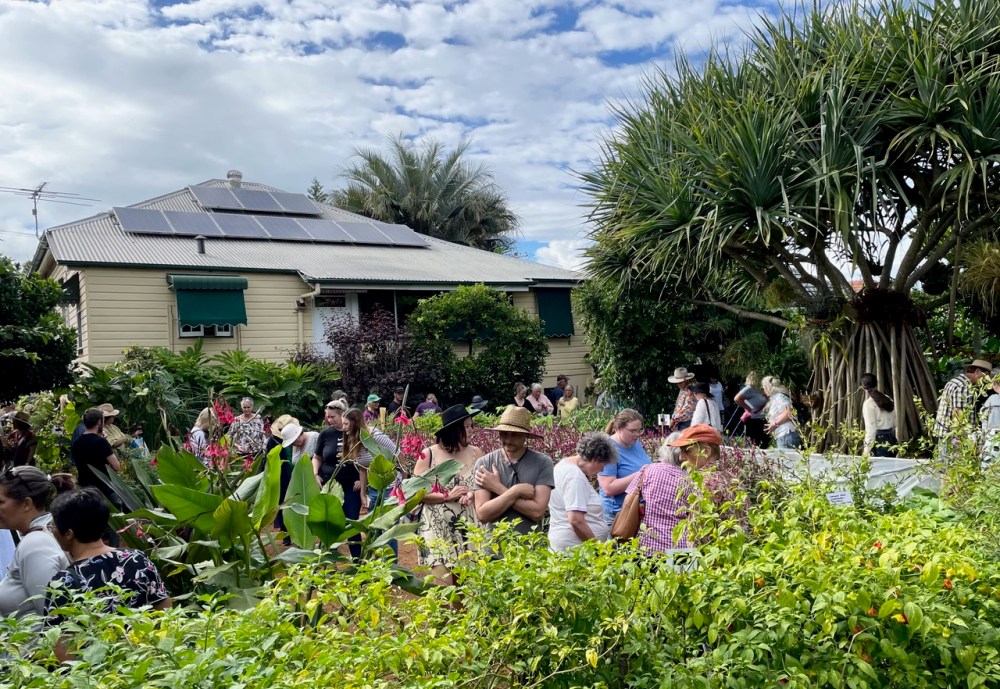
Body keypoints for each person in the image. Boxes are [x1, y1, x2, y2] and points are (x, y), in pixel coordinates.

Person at [46, 488, 170, 662]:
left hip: (103, 677)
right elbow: (165, 613)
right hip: (151, 664)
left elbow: (63, 650)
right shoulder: (137, 559)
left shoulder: (62, 583)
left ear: (68, 534)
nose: (52, 531)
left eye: (53, 526)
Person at [626, 424, 733, 555]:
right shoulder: (732, 479)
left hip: (702, 558)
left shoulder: (702, 484)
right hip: (727, 557)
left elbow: (697, 534)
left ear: (706, 452)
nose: (681, 457)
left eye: (686, 450)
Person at [413, 404, 485, 584]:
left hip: (469, 526)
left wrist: (474, 494)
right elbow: (414, 493)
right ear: (454, 430)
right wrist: (446, 496)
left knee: (468, 588)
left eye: (471, 425)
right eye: (467, 427)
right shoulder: (429, 454)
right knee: (443, 587)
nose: (472, 430)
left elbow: (486, 487)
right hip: (437, 526)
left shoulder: (477, 453)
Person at [0, 467, 70, 617]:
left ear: (26, 504)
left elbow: (54, 615)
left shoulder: (36, 544)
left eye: (1, 502)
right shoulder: (40, 535)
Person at [473, 406, 554, 535]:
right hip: (494, 550)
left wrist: (497, 488)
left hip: (531, 548)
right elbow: (483, 515)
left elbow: (537, 512)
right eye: (504, 434)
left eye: (515, 435)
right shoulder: (484, 463)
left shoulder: (542, 462)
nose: (508, 440)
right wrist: (516, 491)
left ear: (526, 436)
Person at [312, 400, 365, 556]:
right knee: (331, 523)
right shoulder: (325, 433)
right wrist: (315, 474)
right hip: (329, 485)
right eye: (327, 417)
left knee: (351, 522)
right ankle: (330, 559)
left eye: (332, 416)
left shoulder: (355, 432)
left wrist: (361, 481)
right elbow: (317, 457)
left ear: (343, 415)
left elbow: (366, 459)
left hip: (351, 486)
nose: (329, 420)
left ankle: (357, 561)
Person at [548, 432, 617, 551]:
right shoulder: (574, 476)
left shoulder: (563, 465)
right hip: (575, 550)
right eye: (603, 464)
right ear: (595, 459)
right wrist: (598, 549)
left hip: (568, 545)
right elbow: (576, 520)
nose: (602, 469)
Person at [597, 409, 652, 526]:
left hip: (637, 509)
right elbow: (608, 489)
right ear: (618, 428)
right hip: (617, 515)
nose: (637, 435)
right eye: (633, 431)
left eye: (639, 430)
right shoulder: (608, 448)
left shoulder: (635, 442)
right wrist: (641, 474)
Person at [70, 408, 121, 501]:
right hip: (103, 488)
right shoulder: (101, 442)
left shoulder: (77, 443)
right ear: (99, 422)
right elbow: (116, 466)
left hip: (84, 489)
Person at [935, 359, 992, 439]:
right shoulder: (964, 386)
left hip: (945, 434)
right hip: (953, 437)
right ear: (977, 371)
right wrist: (960, 440)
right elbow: (958, 414)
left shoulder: (955, 381)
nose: (985, 381)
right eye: (985, 376)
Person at [860, 373, 897, 457]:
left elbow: (871, 429)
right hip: (892, 439)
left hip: (879, 442)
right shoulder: (887, 398)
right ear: (876, 384)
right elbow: (895, 422)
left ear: (862, 387)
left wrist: (866, 450)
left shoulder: (868, 404)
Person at [762, 376, 801, 449]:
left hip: (786, 435)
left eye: (764, 388)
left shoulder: (779, 397)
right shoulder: (776, 398)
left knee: (787, 459)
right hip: (784, 435)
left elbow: (788, 412)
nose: (764, 391)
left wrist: (774, 424)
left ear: (768, 388)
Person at [733, 373, 770, 447]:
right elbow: (737, 399)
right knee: (756, 442)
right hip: (754, 419)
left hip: (762, 417)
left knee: (765, 441)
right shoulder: (749, 389)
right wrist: (748, 408)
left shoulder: (760, 389)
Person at [981, 369, 1000, 468]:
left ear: (993, 383)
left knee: (988, 467)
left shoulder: (992, 400)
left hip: (992, 438)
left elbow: (984, 420)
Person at [668, 367, 697, 431]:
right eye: (677, 383)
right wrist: (674, 417)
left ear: (686, 380)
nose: (678, 384)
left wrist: (674, 419)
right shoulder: (683, 389)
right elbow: (678, 405)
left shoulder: (691, 390)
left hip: (687, 422)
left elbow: (688, 409)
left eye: (680, 382)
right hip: (681, 421)